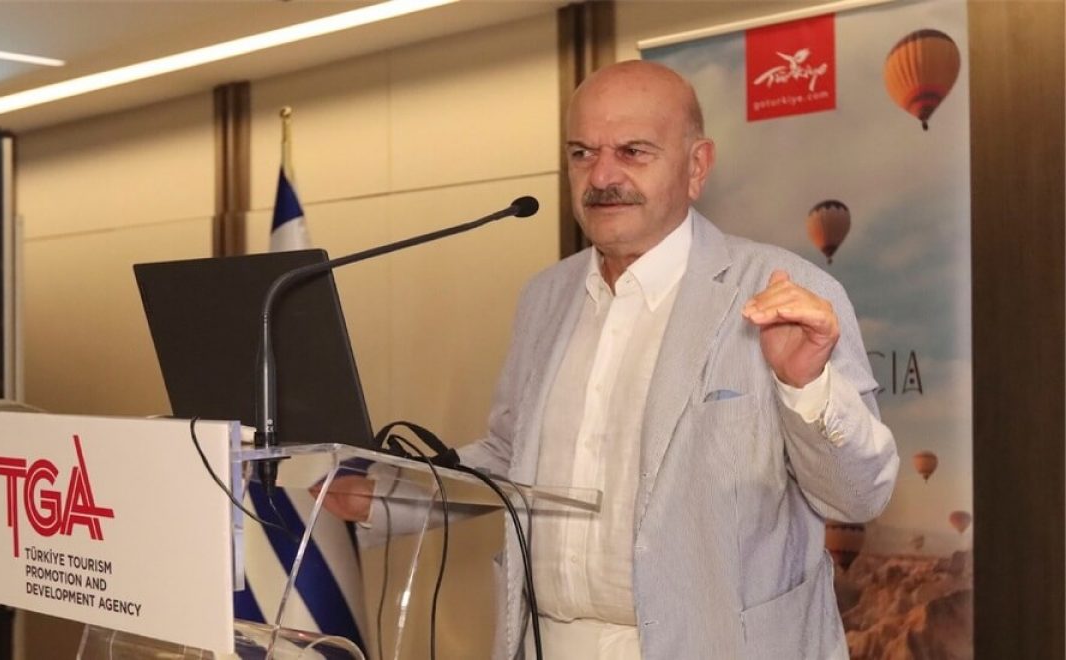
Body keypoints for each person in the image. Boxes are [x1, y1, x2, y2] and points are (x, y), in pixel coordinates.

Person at [322, 60, 898, 659]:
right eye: (582, 153)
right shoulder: (545, 297)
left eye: (632, 151)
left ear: (696, 167)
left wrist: (805, 386)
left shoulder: (785, 290)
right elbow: (511, 458)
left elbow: (858, 497)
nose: (601, 176)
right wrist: (384, 497)